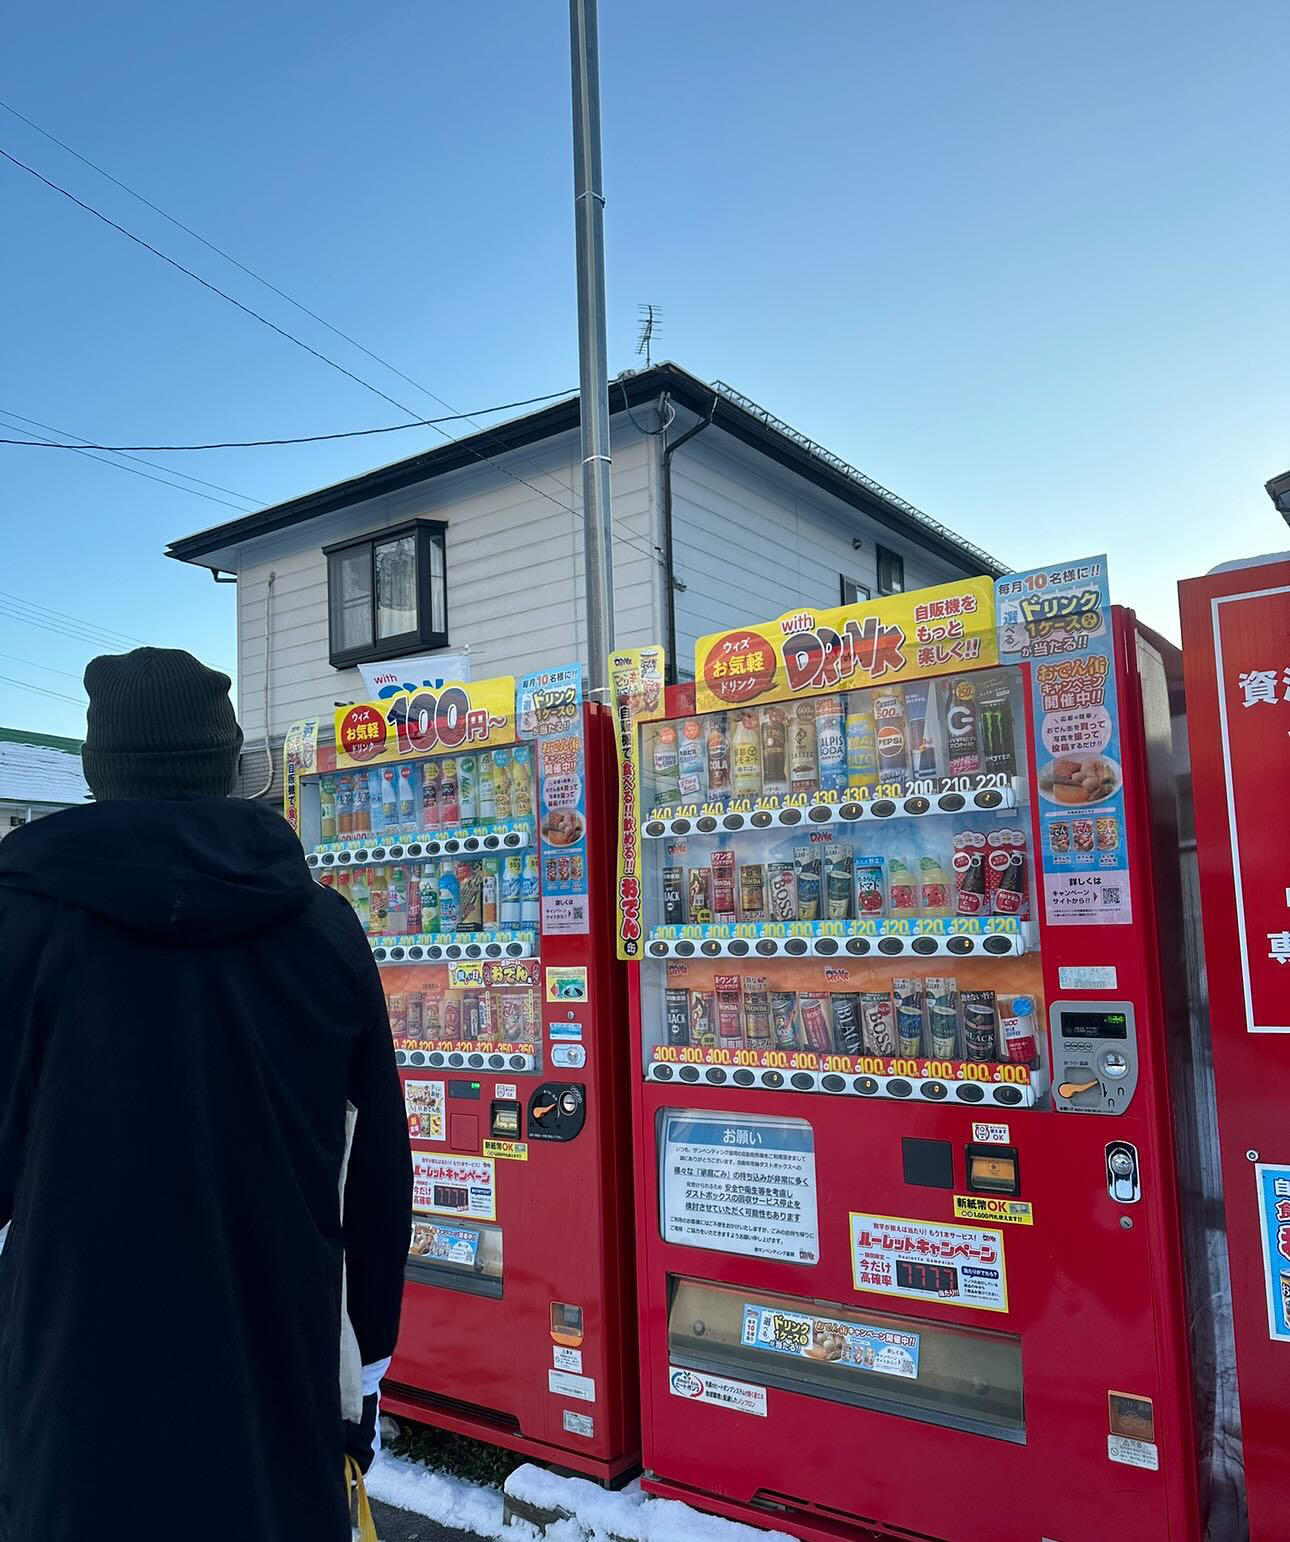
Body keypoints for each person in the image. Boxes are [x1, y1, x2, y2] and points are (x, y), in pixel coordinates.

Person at [0, 649, 411, 1542]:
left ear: (97, 770)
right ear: (229, 766)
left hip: (72, 1375)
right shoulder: (323, 927)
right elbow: (376, 1171)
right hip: (276, 1356)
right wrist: (367, 1361)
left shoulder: (21, 917)